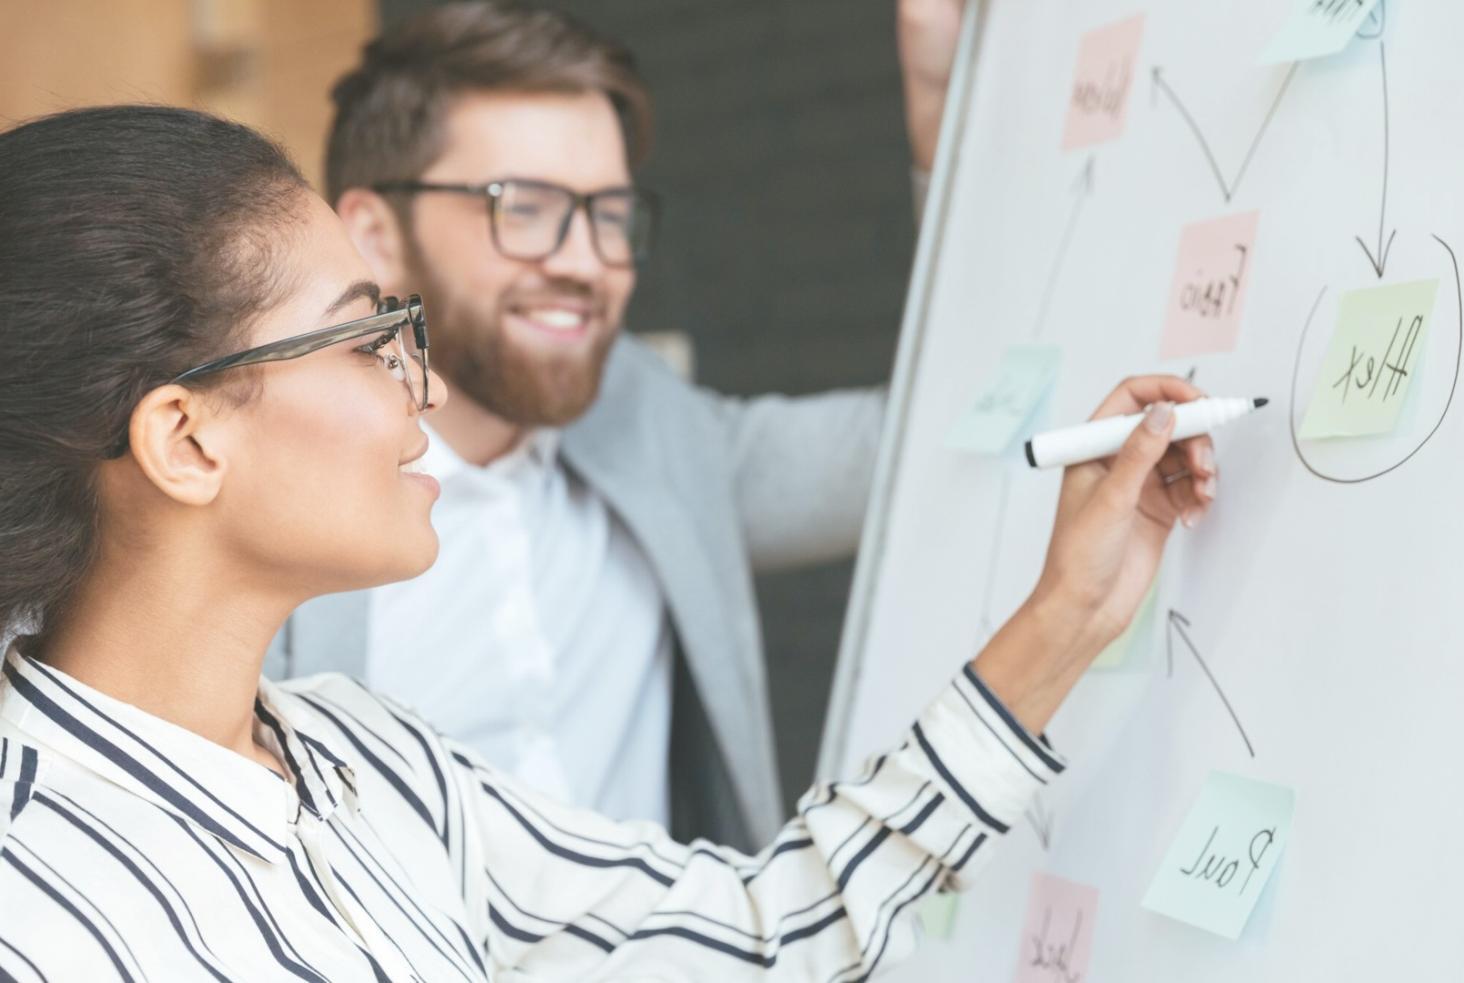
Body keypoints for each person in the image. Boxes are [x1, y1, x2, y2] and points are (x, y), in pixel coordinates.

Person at [0, 105, 1216, 980]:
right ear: (186, 440)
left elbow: (758, 929)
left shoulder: (371, 758)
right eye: (367, 340)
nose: (416, 391)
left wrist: (1071, 613)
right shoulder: (39, 907)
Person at [266, 0, 970, 852]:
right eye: (520, 206)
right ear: (375, 234)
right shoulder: (270, 503)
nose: (584, 261)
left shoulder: (650, 428)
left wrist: (945, 116)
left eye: (609, 213)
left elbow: (931, 445)